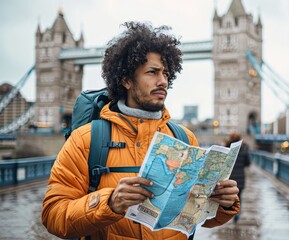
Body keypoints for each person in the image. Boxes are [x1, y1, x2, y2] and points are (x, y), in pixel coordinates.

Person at [42, 22, 240, 240]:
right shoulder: (86, 140)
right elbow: (53, 216)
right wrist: (109, 203)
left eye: (166, 73)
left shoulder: (184, 138)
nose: (163, 81)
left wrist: (222, 203)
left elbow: (195, 218)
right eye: (152, 72)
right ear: (126, 80)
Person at [225, 132, 250, 223]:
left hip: (229, 177)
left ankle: (229, 213)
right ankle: (237, 213)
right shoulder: (243, 149)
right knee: (238, 197)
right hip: (240, 178)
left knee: (228, 196)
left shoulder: (227, 148)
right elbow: (248, 163)